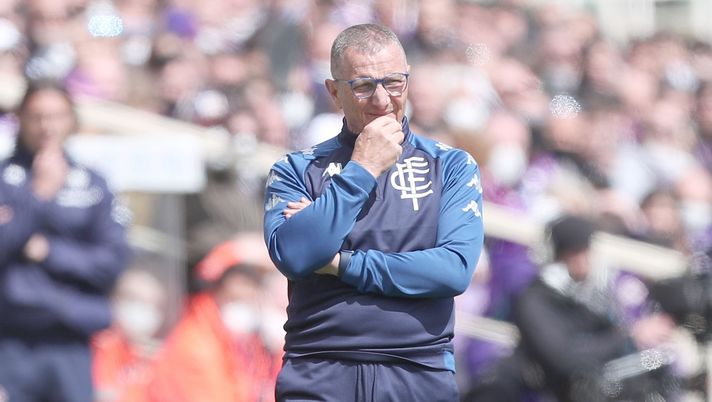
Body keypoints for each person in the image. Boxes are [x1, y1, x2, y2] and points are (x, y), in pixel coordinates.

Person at [263, 23, 484, 401]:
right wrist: (362, 169)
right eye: (363, 86)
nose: (382, 100)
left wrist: (339, 262)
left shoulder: (450, 165)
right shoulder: (297, 169)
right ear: (334, 92)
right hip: (320, 369)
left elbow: (452, 270)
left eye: (393, 82)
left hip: (418, 371)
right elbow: (296, 255)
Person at [0, 80, 131, 402]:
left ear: (71, 119)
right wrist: (39, 196)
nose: (47, 126)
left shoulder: (93, 184)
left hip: (71, 340)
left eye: (56, 116)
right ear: (20, 118)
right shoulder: (5, 179)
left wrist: (47, 251)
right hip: (11, 341)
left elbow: (112, 263)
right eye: (37, 116)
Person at [464, 214, 676, 402]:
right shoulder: (534, 298)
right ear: (558, 255)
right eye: (574, 252)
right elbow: (563, 358)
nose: (583, 261)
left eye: (586, 251)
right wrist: (629, 336)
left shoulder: (592, 296)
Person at [148, 238, 282, 402]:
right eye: (243, 281)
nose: (249, 292)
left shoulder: (236, 340)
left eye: (256, 283)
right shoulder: (197, 342)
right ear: (218, 283)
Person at [92, 268, 167, 402]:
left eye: (153, 305)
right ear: (117, 301)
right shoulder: (102, 348)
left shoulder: (156, 356)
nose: (145, 311)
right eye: (137, 301)